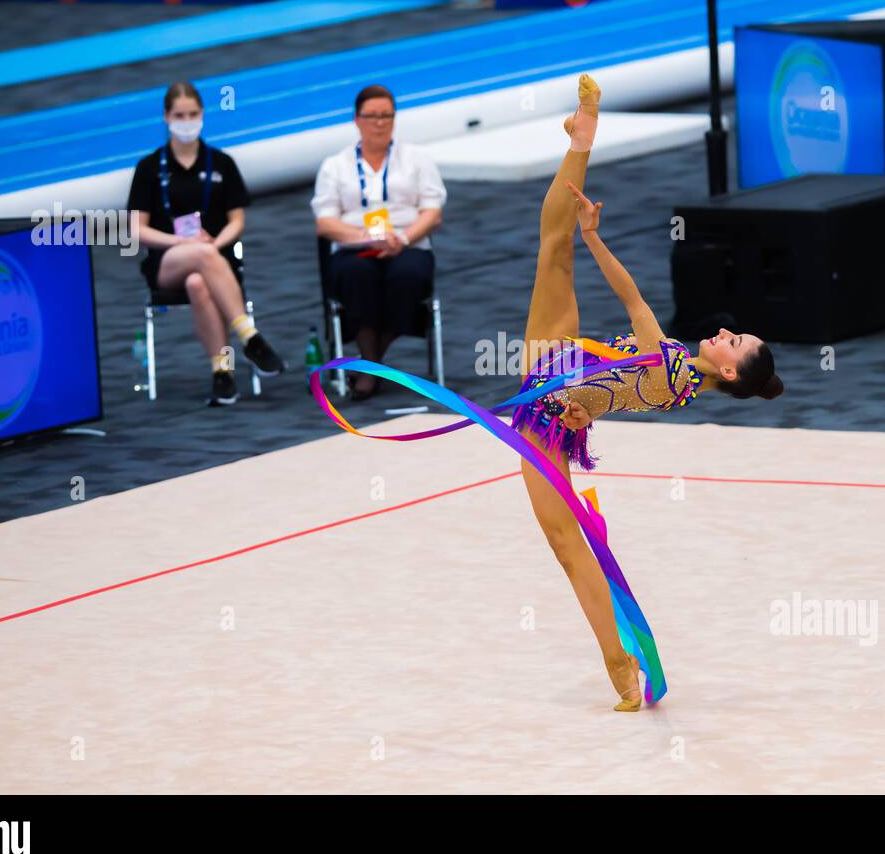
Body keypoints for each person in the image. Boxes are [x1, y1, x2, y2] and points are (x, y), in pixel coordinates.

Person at [511, 74, 783, 710]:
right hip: (559, 383)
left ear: (732, 373)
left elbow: (622, 360)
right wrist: (593, 237)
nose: (723, 331)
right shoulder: (677, 372)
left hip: (554, 400)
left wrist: (581, 407)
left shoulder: (671, 371)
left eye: (733, 341)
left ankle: (617, 659)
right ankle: (582, 136)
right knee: (552, 246)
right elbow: (625, 346)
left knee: (566, 543)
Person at [128, 81, 286, 406]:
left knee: (199, 281)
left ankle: (222, 372)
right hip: (168, 261)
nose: (187, 121)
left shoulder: (222, 163)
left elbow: (237, 222)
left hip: (217, 258)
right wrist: (181, 242)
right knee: (197, 257)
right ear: (166, 117)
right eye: (179, 115)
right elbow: (136, 230)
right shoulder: (148, 168)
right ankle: (248, 336)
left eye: (193, 114)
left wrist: (213, 245)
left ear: (203, 114)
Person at [312, 85, 446, 400]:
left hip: (406, 242)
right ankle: (373, 365)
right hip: (355, 246)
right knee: (358, 277)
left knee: (408, 278)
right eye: (372, 116)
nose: (380, 123)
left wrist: (401, 238)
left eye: (386, 115)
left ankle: (369, 365)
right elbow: (325, 222)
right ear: (357, 120)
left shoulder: (416, 158)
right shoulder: (335, 165)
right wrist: (364, 238)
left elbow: (433, 212)